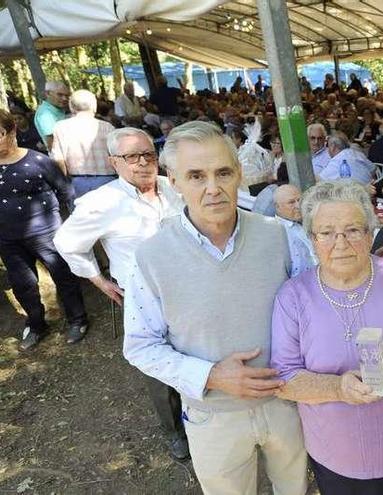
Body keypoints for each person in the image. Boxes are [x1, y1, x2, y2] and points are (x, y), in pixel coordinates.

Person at [122, 121, 308, 494]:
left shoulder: (282, 236)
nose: (213, 188)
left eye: (223, 172)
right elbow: (140, 345)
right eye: (196, 175)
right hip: (212, 414)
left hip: (288, 403)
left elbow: (322, 300)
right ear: (172, 181)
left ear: (239, 174)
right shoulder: (151, 256)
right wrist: (210, 375)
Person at [271, 180, 383, 494]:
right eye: (326, 232)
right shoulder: (294, 296)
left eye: (353, 230)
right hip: (334, 451)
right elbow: (284, 378)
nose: (340, 243)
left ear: (370, 233)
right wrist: (338, 388)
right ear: (312, 239)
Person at [52, 127, 189, 459]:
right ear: (114, 162)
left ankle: (199, 416)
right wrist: (97, 279)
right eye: (132, 157)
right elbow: (66, 242)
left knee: (192, 352)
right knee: (157, 367)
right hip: (143, 298)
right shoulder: (103, 202)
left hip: (188, 288)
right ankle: (174, 430)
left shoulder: (175, 189)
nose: (143, 163)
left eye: (149, 154)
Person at [0, 109, 88, 351]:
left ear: (12, 131)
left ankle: (77, 319)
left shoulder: (39, 161)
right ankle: (36, 324)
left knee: (64, 277)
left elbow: (66, 192)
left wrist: (75, 226)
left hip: (47, 233)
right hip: (7, 240)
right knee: (23, 284)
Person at [50, 89, 117, 197]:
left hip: (78, 183)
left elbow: (59, 160)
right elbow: (116, 154)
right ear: (94, 105)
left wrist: (66, 183)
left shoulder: (61, 128)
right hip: (109, 180)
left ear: (71, 107)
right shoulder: (107, 127)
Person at [274, 184, 316, 278]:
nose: (298, 206)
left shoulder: (307, 220)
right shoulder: (278, 233)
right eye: (291, 202)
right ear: (278, 207)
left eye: (299, 200)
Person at [33, 81, 70, 149]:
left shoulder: (58, 108)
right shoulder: (45, 114)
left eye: (67, 95)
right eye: (60, 95)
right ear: (47, 94)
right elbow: (52, 144)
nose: (65, 98)